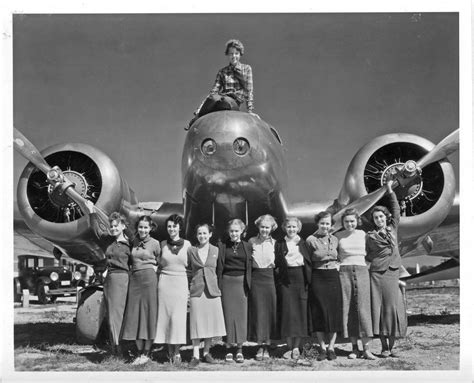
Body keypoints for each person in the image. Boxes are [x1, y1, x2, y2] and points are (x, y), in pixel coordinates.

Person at [365, 181, 407, 357]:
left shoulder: (393, 228)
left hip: (392, 272)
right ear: (373, 221)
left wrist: (390, 192)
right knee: (379, 308)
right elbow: (366, 255)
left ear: (386, 217)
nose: (379, 220)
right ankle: (383, 347)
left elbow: (397, 210)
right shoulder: (369, 236)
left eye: (381, 216)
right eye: (376, 218)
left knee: (393, 307)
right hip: (376, 274)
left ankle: (392, 347)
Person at [85, 201, 132, 356]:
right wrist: (92, 212)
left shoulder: (130, 244)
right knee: (111, 313)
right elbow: (96, 231)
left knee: (119, 314)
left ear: (123, 226)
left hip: (123, 279)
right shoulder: (108, 241)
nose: (113, 228)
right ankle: (115, 346)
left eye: (116, 225)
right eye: (111, 226)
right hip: (110, 280)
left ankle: (119, 346)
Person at [186, 39, 256, 130]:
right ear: (227, 55)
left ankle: (202, 118)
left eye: (236, 53)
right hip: (221, 98)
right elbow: (213, 92)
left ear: (240, 54)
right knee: (213, 98)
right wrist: (199, 110)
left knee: (223, 101)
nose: (234, 56)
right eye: (231, 53)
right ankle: (197, 120)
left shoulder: (246, 69)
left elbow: (249, 90)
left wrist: (250, 111)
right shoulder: (223, 72)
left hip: (233, 102)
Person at [334, 208, 376, 360]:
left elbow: (373, 251)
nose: (349, 224)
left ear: (357, 221)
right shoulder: (337, 236)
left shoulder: (364, 235)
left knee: (363, 308)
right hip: (344, 272)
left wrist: (368, 264)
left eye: (352, 221)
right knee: (349, 308)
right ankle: (354, 348)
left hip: (362, 271)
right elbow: (332, 254)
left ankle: (366, 349)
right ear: (342, 223)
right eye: (346, 221)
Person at [121, 215, 160, 365]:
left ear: (150, 228)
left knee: (149, 314)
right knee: (135, 314)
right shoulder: (133, 242)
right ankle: (139, 351)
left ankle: (146, 352)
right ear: (137, 228)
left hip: (149, 280)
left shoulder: (156, 244)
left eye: (146, 227)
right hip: (135, 280)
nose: (143, 230)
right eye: (140, 227)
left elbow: (160, 261)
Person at [187, 223, 226, 367]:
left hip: (212, 291)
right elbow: (188, 270)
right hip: (197, 290)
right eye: (199, 233)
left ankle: (206, 353)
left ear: (210, 234)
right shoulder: (191, 250)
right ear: (196, 235)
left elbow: (220, 270)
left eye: (205, 233)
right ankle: (195, 355)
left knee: (209, 322)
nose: (202, 236)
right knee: (196, 322)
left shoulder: (216, 250)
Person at [154, 214, 192, 365]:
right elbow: (157, 263)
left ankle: (177, 351)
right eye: (169, 226)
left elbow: (192, 266)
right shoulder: (162, 244)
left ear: (180, 227)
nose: (171, 229)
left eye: (174, 226)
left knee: (178, 318)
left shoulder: (188, 245)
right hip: (164, 284)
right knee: (166, 317)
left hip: (181, 283)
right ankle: (169, 350)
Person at [306, 211, 343, 361]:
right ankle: (321, 347)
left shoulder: (335, 239)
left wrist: (338, 265)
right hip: (318, 277)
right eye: (322, 223)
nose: (325, 226)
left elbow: (339, 256)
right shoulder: (310, 240)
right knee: (319, 312)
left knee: (333, 312)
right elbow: (307, 260)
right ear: (317, 224)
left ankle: (331, 347)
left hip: (333, 277)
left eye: (327, 223)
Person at [274, 217, 312, 360]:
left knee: (300, 312)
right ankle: (289, 347)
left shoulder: (303, 243)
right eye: (289, 227)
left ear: (298, 228)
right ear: (285, 228)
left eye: (294, 227)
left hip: (300, 278)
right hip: (286, 280)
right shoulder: (280, 243)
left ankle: (296, 347)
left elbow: (308, 262)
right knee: (288, 313)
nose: (291, 229)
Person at [216, 218, 252, 363]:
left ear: (242, 231)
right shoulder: (222, 246)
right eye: (231, 231)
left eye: (237, 231)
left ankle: (239, 348)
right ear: (228, 231)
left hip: (242, 283)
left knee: (241, 316)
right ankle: (228, 347)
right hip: (227, 283)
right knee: (228, 316)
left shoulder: (247, 246)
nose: (234, 233)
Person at [247, 214, 278, 361]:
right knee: (259, 312)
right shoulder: (251, 241)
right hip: (256, 278)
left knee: (270, 311)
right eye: (262, 227)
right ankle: (260, 345)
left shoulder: (275, 243)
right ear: (258, 227)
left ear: (271, 228)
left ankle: (269, 343)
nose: (265, 230)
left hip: (270, 278)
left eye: (267, 227)